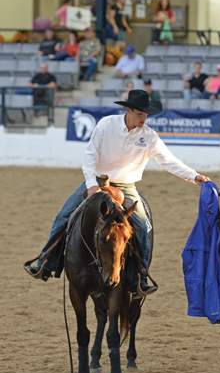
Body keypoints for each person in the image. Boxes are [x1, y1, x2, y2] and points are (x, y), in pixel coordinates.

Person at [24, 90, 210, 293]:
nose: (144, 117)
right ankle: (46, 261)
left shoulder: (149, 137)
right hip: (97, 181)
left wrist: (194, 176)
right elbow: (90, 156)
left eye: (146, 114)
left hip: (126, 187)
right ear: (128, 110)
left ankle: (140, 276)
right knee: (64, 216)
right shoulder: (106, 124)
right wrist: (91, 184)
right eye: (140, 113)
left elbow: (169, 161)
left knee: (141, 226)